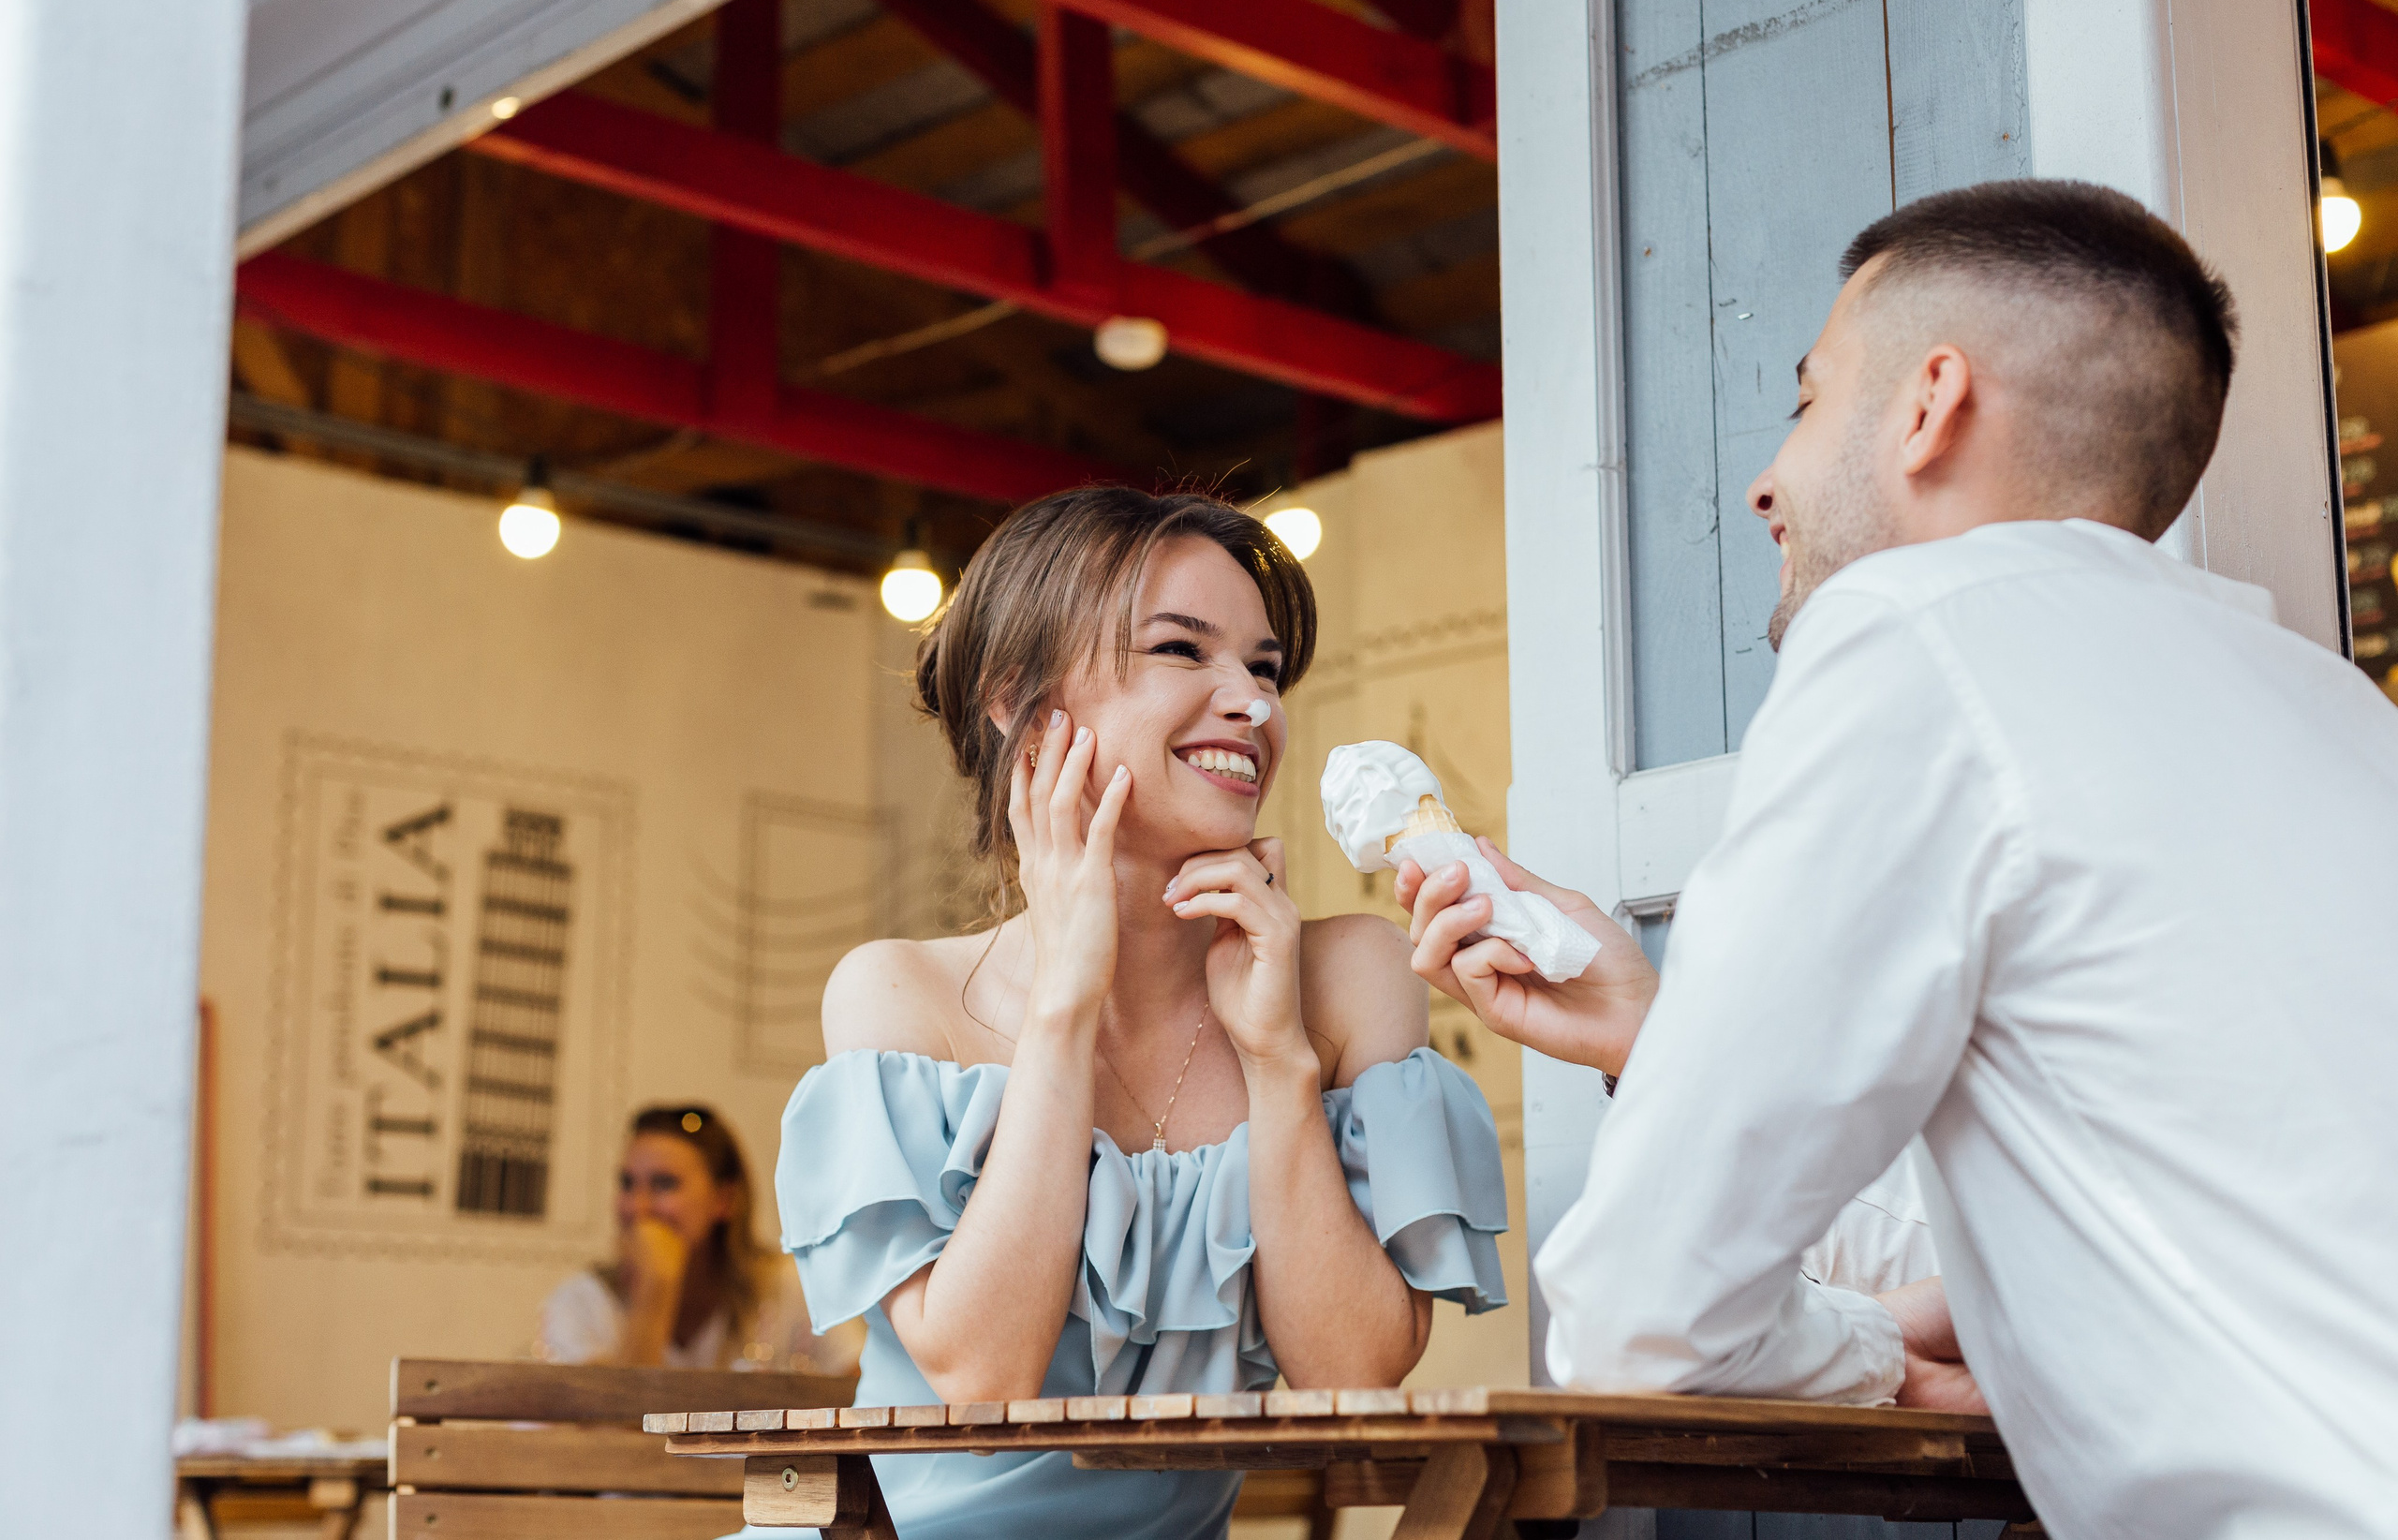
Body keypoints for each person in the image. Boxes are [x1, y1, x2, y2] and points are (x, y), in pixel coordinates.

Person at [1402, 179, 2398, 1536]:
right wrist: (1659, 1028)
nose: (1769, 477)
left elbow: (1639, 1321)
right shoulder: (2332, 700)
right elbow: (2101, 1219)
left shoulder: (1913, 625)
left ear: (1930, 403)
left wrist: (1877, 1359)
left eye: (1809, 402)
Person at [772, 488, 1508, 1540]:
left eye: (1262, 667)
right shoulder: (901, 996)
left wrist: (1276, 1061)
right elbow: (979, 1377)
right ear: (1017, 698)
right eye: (1182, 650)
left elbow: (1358, 1373)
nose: (1250, 704)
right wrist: (1065, 1003)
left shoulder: (1347, 977)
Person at [540, 1104, 863, 1374]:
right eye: (627, 1183)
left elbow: (864, 1397)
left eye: (664, 1184)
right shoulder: (582, 1303)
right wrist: (656, 1286)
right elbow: (615, 1432)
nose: (637, 1207)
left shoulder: (790, 1289)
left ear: (724, 1199)